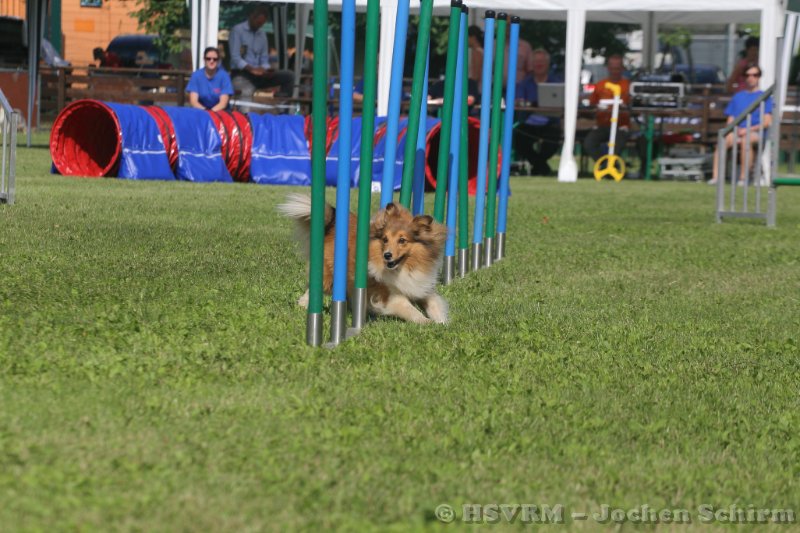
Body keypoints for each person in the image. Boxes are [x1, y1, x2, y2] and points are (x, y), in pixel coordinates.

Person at [710, 63, 772, 185]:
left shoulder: (765, 97)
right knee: (723, 140)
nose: (751, 78)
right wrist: (734, 130)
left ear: (759, 77)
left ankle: (743, 178)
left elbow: (766, 122)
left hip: (755, 132)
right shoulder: (738, 96)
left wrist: (748, 130)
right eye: (748, 75)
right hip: (737, 131)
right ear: (744, 77)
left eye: (755, 75)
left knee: (746, 140)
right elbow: (730, 120)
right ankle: (716, 177)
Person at [229, 5, 295, 102]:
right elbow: (235, 57)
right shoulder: (238, 30)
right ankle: (245, 111)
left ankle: (282, 106)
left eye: (261, 24)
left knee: (289, 76)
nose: (259, 26)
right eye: (258, 23)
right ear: (251, 17)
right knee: (246, 91)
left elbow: (264, 59)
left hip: (260, 75)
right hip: (241, 74)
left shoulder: (262, 34)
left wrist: (266, 69)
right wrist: (252, 69)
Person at [513, 48, 563, 175]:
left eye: (542, 62)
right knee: (518, 139)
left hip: (551, 122)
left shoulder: (557, 83)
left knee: (552, 142)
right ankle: (542, 167)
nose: (539, 65)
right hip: (529, 122)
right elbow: (518, 101)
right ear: (532, 64)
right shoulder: (524, 83)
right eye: (536, 62)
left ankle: (538, 167)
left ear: (548, 64)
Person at [583, 55, 631, 163]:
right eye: (612, 68)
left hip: (621, 127)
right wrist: (597, 109)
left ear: (622, 69)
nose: (615, 72)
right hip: (602, 125)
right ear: (608, 68)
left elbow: (632, 106)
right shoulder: (600, 85)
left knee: (617, 145)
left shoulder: (628, 85)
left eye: (617, 68)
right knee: (589, 143)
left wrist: (624, 108)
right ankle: (605, 165)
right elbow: (592, 105)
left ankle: (611, 166)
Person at [186, 46, 234, 111]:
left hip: (220, 112)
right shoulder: (196, 75)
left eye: (215, 59)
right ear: (204, 59)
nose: (211, 61)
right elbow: (194, 101)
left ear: (218, 61)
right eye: (208, 59)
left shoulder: (224, 76)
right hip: (201, 111)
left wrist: (211, 113)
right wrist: (205, 111)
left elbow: (223, 103)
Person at [467, 26, 484, 91]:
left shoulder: (477, 52)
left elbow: (476, 75)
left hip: (476, 89)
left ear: (473, 37)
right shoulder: (480, 51)